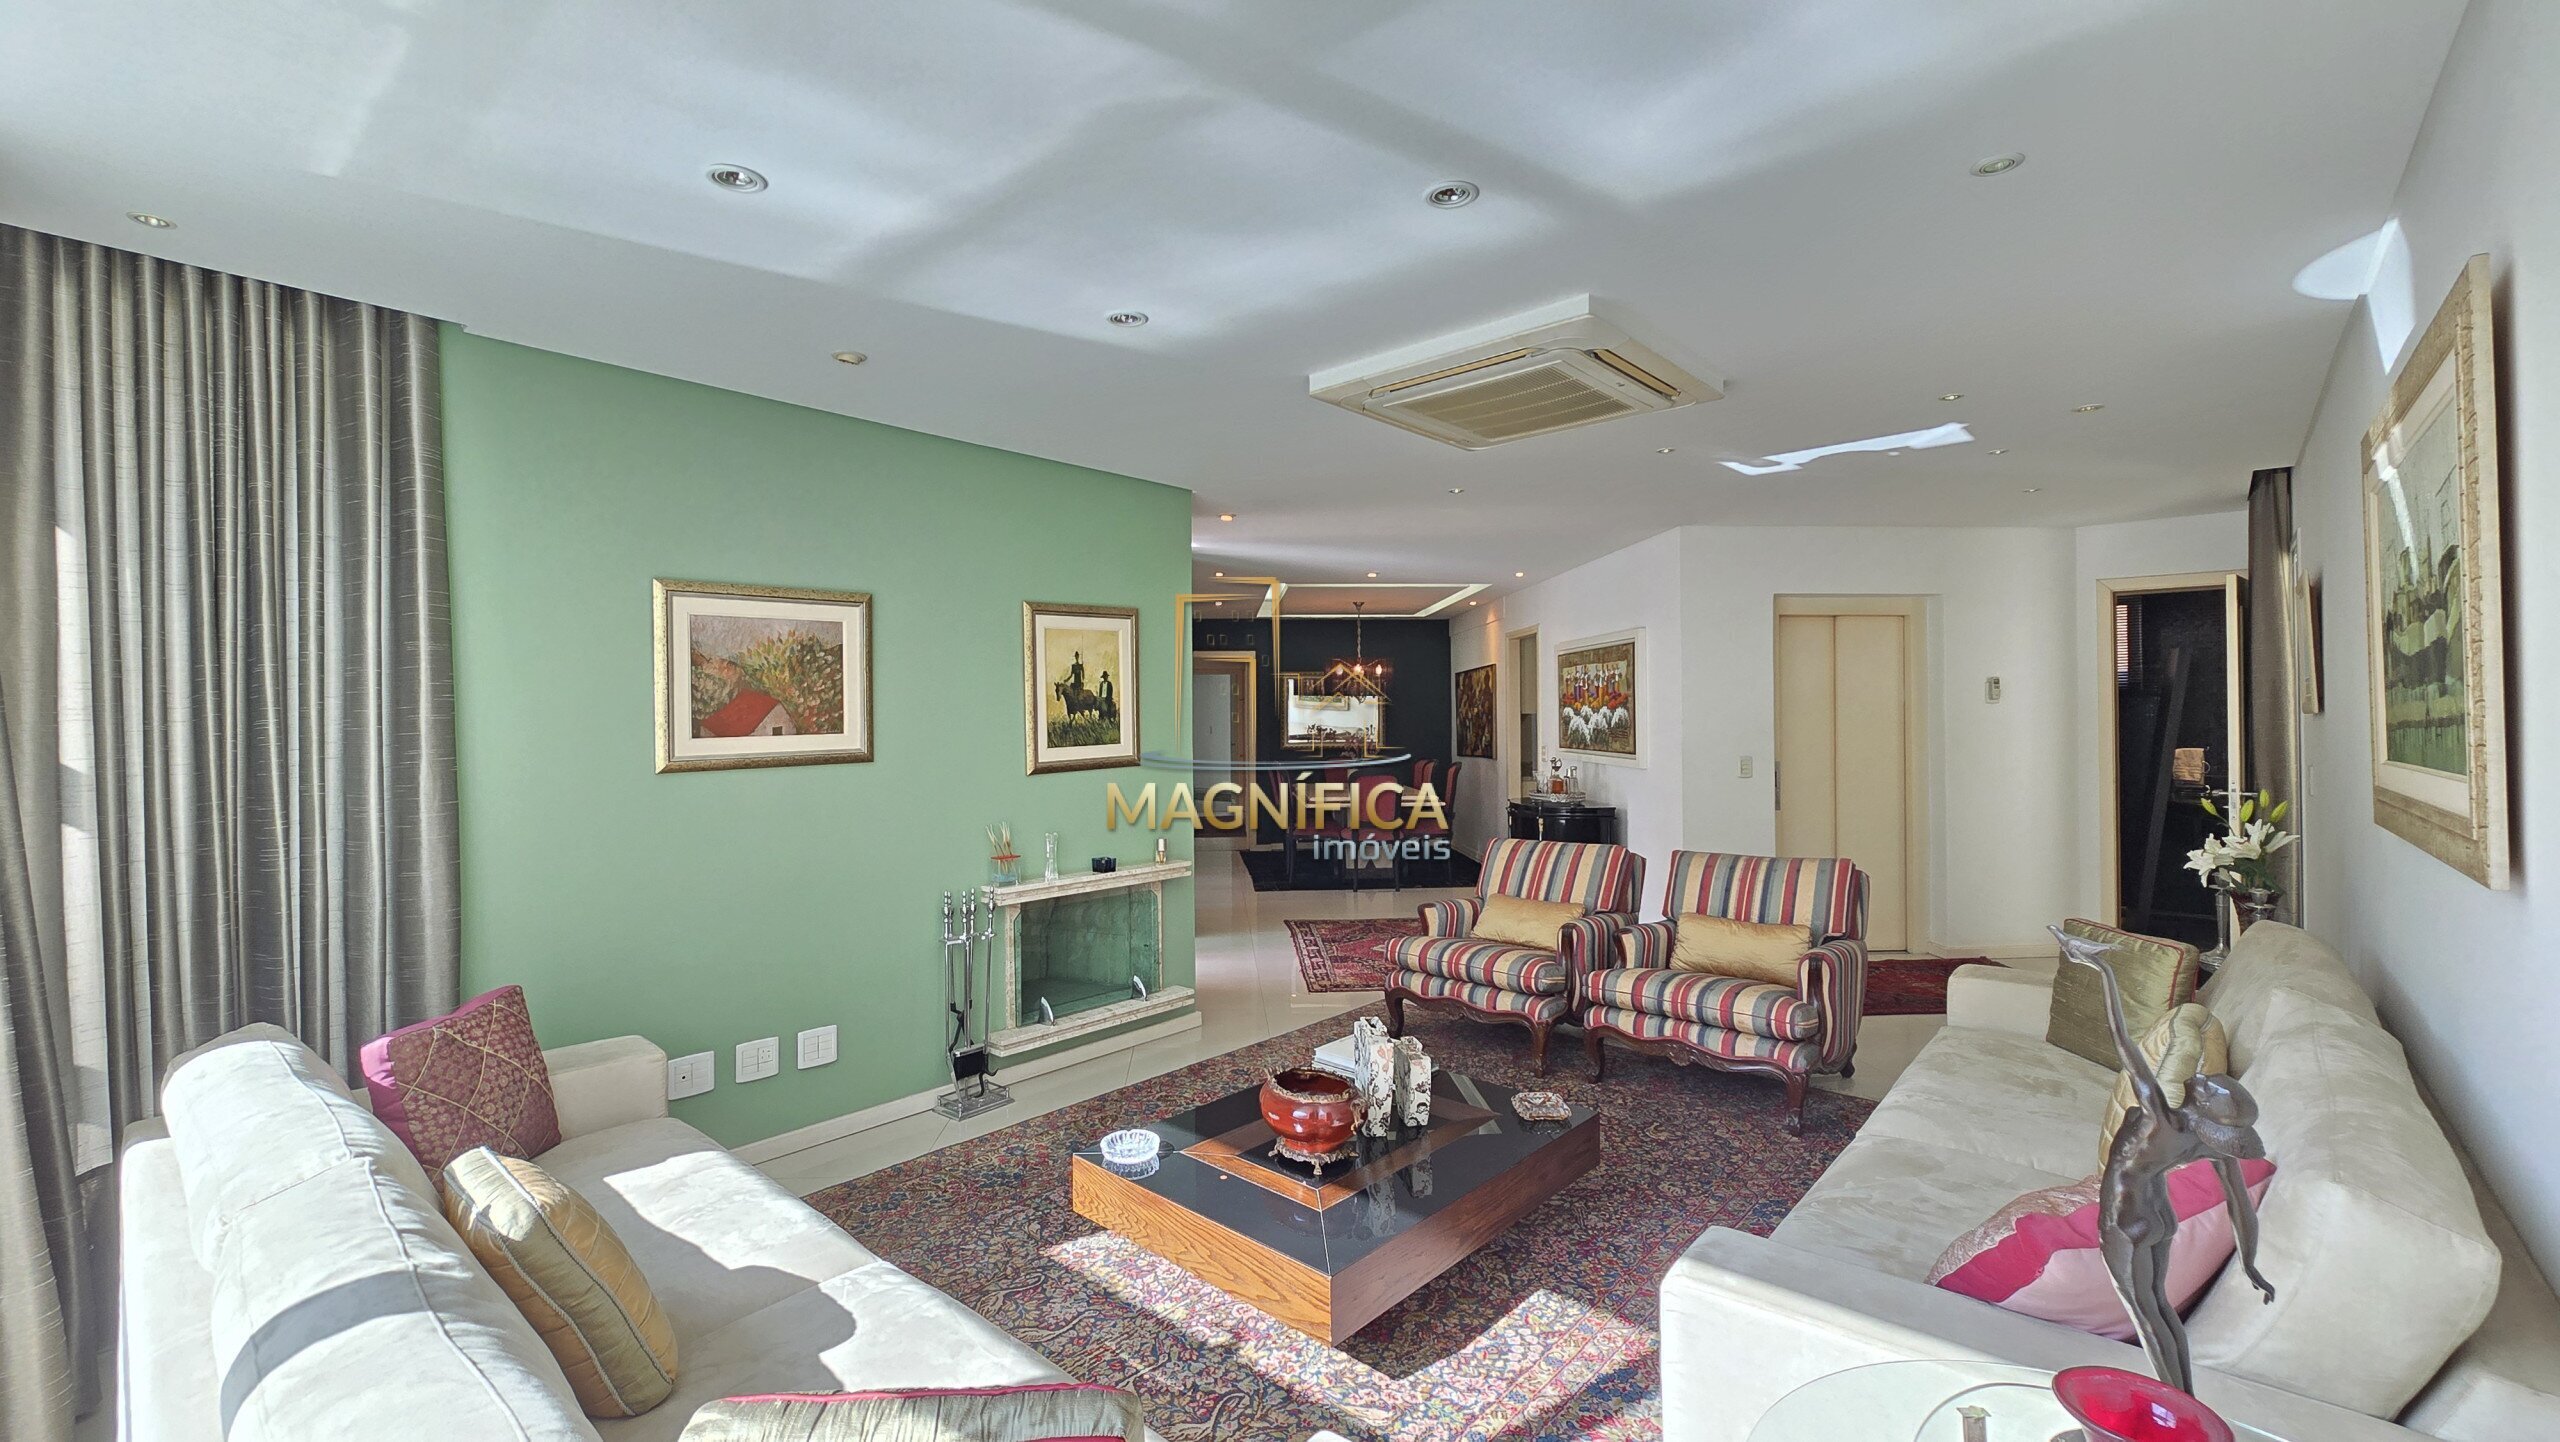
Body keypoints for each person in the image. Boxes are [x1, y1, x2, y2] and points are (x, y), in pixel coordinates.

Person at [2052, 926, 2275, 1395]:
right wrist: (2251, 1263)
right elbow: (2240, 1207)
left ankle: (2176, 1401)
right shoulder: (2205, 1143)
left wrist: (2101, 968)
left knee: (2145, 1314)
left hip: (2125, 1218)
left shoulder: (2163, 1118)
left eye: (2205, 1084)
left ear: (2202, 1103)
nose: (2199, 1078)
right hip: (2161, 1219)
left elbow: (2124, 1042)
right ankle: (2185, 1394)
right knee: (2161, 1309)